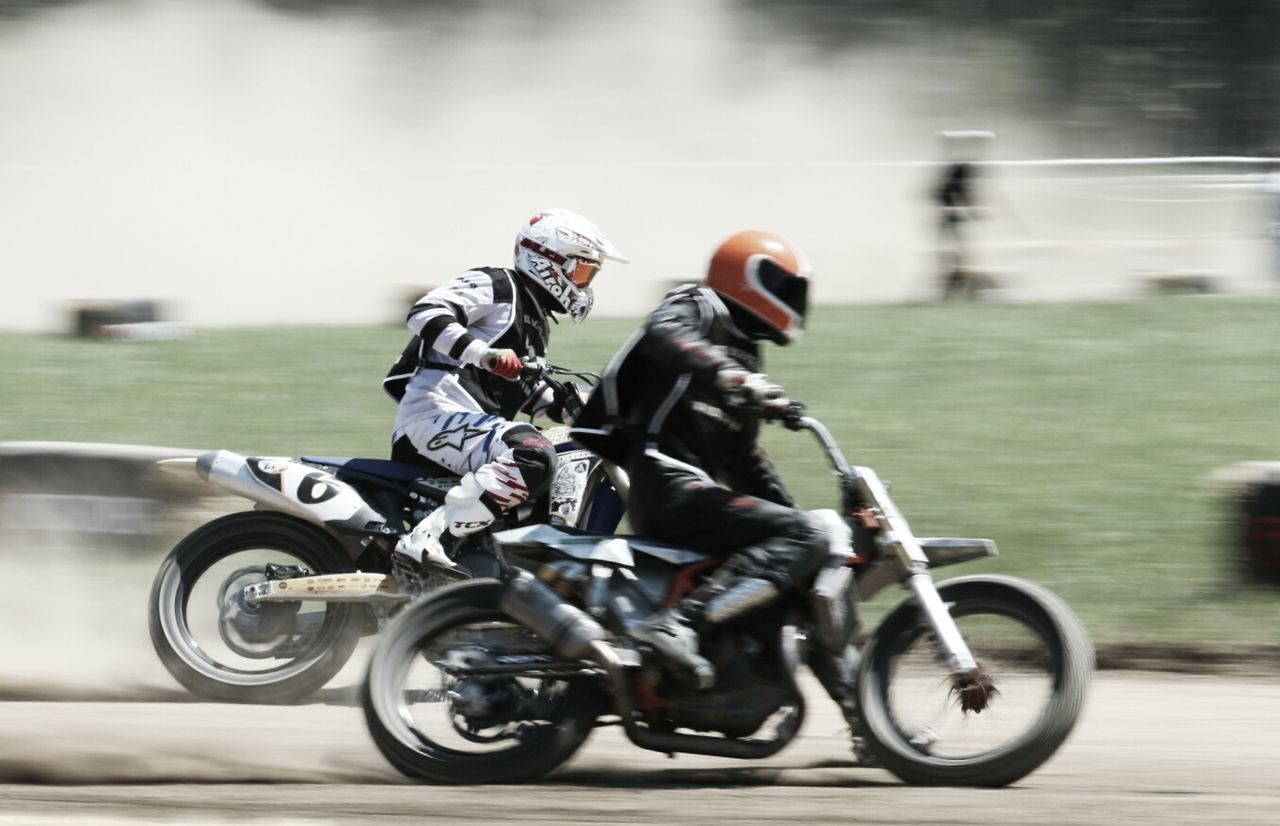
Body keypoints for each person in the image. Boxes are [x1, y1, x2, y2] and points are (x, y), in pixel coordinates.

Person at [572, 230, 846, 689]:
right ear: (748, 279)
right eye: (785, 289)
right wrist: (727, 373)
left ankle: (857, 708)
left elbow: (743, 461)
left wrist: (801, 523)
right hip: (668, 484)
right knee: (805, 536)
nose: (793, 302)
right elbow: (664, 331)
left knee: (806, 546)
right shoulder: (699, 303)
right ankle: (678, 625)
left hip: (694, 493)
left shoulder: (745, 354)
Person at [386, 209, 628, 577]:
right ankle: (429, 539)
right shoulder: (499, 284)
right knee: (533, 454)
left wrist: (580, 406)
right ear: (549, 259)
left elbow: (528, 394)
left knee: (556, 452)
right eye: (581, 271)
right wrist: (482, 354)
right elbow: (426, 311)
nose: (584, 284)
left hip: (471, 428)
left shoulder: (535, 323)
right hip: (432, 417)